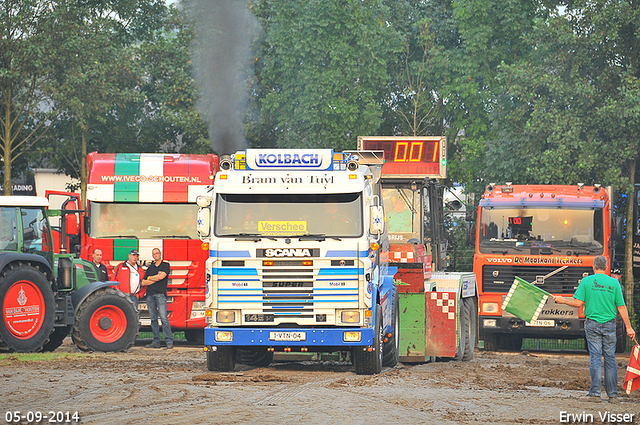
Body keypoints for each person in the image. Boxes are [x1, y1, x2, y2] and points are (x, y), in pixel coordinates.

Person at [552, 255, 635, 403]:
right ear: (606, 266)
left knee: (595, 358)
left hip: (592, 324)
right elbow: (621, 307)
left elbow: (578, 303)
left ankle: (595, 394)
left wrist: (562, 300)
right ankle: (613, 395)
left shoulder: (586, 281)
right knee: (610, 359)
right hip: (610, 324)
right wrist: (629, 327)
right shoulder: (614, 283)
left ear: (593, 266)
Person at [141, 247, 173, 349]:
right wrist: (154, 278)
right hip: (150, 295)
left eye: (157, 253)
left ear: (160, 254)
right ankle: (156, 341)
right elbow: (143, 282)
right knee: (153, 319)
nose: (155, 255)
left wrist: (151, 278)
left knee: (164, 318)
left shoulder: (165, 265)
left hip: (160, 295)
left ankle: (169, 341)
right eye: (154, 254)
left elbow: (161, 277)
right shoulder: (151, 267)